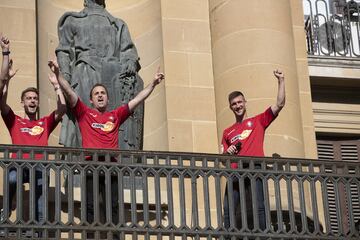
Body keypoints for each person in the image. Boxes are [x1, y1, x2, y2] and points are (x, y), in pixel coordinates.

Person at [48, 59, 164, 225]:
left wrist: (152, 84)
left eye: (103, 93)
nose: (100, 95)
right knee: (89, 206)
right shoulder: (84, 112)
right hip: (90, 166)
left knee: (114, 207)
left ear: (108, 100)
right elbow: (69, 91)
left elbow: (137, 100)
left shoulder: (115, 115)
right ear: (91, 100)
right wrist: (58, 73)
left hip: (112, 167)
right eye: (96, 93)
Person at [56, 0, 144, 151]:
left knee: (115, 121)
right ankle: (80, 161)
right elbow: (64, 51)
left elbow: (129, 51)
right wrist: (65, 76)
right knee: (83, 119)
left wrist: (130, 60)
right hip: (85, 73)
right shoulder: (72, 20)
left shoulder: (117, 24)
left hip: (114, 76)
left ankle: (119, 161)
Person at [0, 36, 67, 223]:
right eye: (28, 98)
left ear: (37, 103)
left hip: (39, 166)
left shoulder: (45, 122)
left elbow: (62, 109)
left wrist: (56, 86)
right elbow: (1, 102)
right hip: (18, 164)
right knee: (11, 179)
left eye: (35, 99)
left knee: (39, 207)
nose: (32, 101)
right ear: (23, 102)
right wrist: (8, 81)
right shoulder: (15, 120)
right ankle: (6, 211)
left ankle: (38, 230)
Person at [221, 70, 285, 232]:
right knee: (228, 209)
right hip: (235, 172)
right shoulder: (227, 131)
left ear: (245, 102)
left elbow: (279, 104)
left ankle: (263, 232)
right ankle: (228, 234)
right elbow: (222, 159)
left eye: (239, 102)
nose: (237, 106)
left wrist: (281, 81)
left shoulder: (258, 121)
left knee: (259, 206)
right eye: (234, 104)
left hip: (255, 167)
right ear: (230, 107)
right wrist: (227, 152)